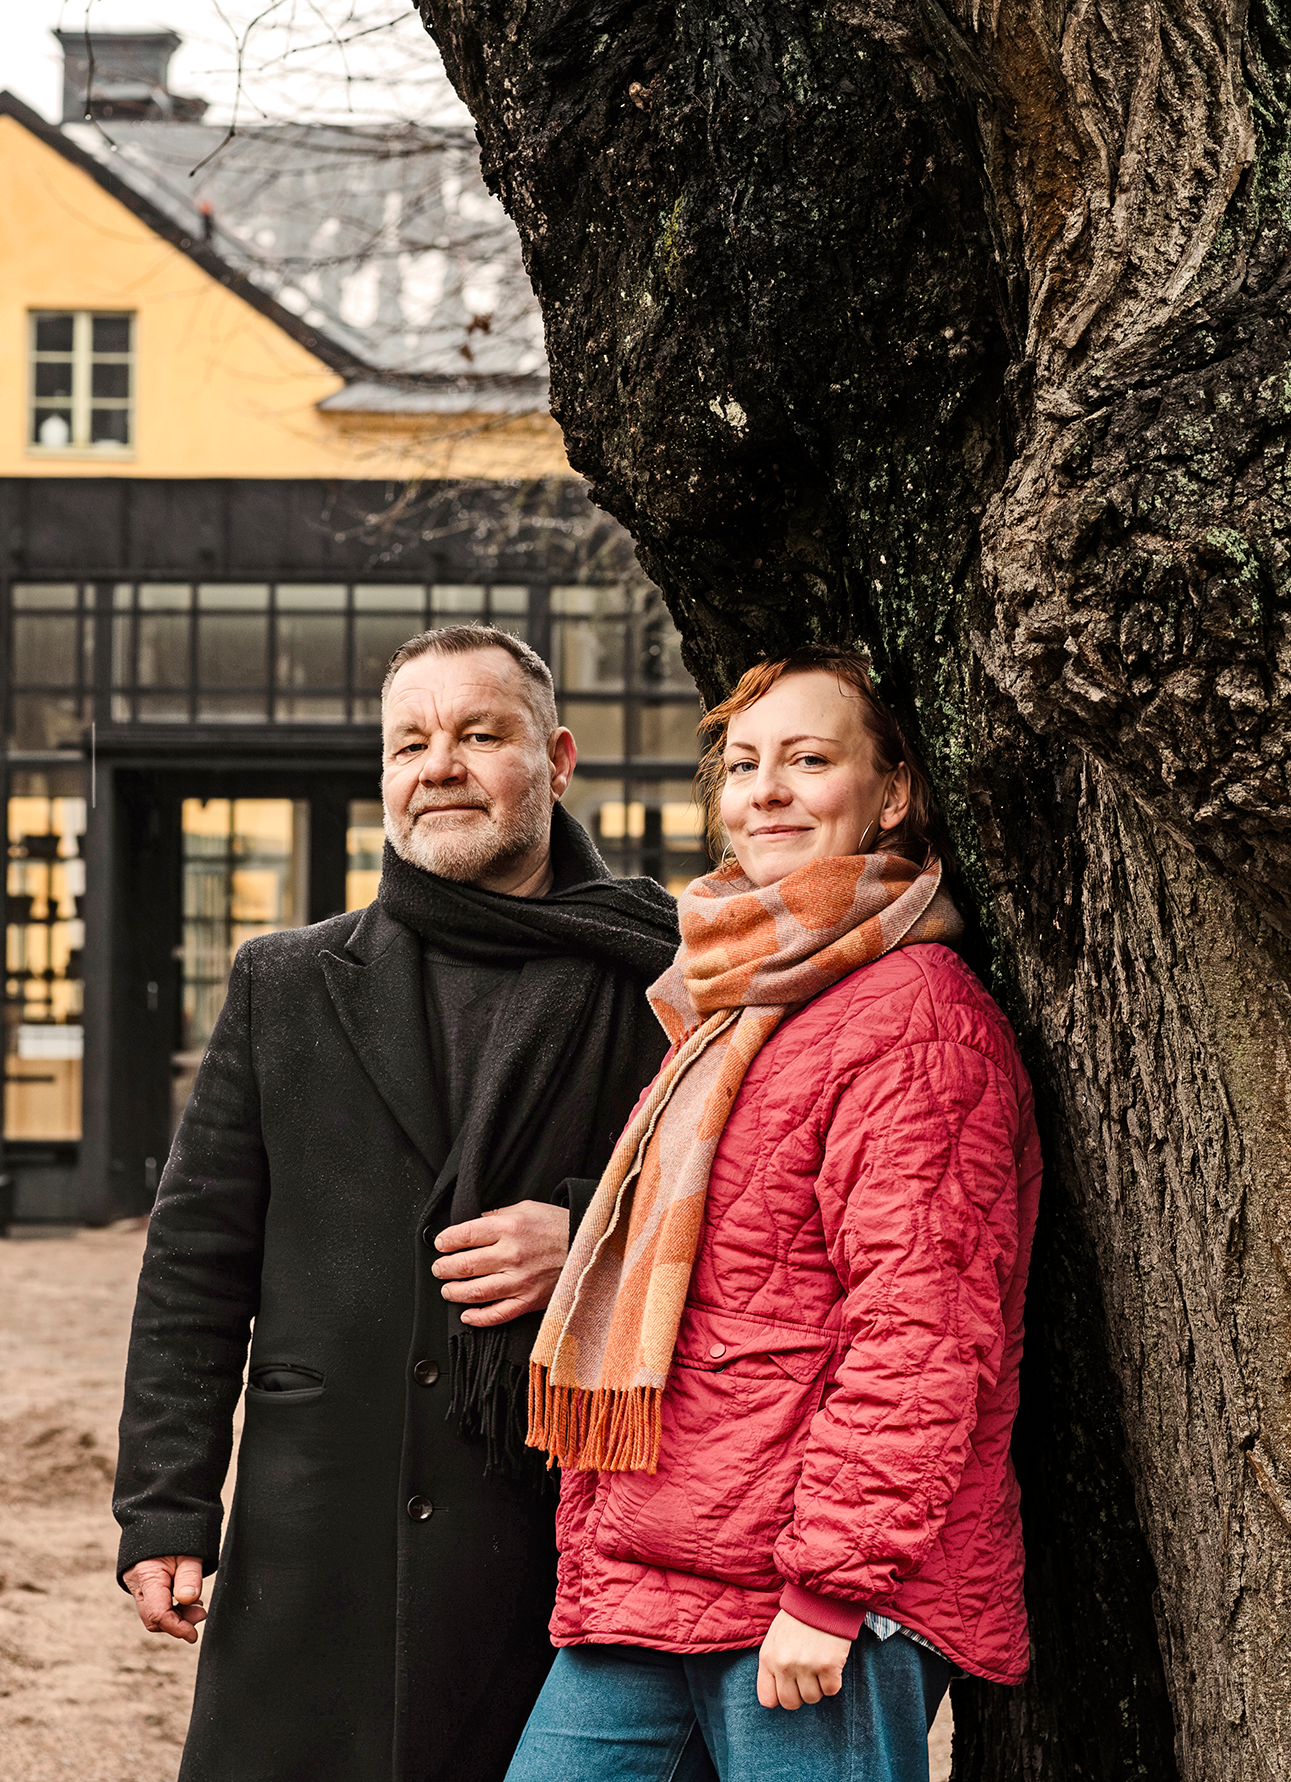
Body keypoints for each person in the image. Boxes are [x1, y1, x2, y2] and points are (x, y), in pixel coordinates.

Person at [113, 625, 679, 1782]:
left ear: (557, 759)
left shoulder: (665, 977)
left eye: (482, 733)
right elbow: (195, 1263)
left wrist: (587, 1238)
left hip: (541, 1524)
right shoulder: (286, 982)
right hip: (314, 1522)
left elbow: (742, 1202)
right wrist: (165, 1508)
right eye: (409, 741)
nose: (440, 765)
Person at [509, 645, 1041, 1782]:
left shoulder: (914, 1017)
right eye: (743, 764)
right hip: (656, 1563)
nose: (767, 789)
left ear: (889, 793)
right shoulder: (734, 1004)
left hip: (807, 1586)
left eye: (809, 759)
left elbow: (923, 1331)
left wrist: (831, 1588)